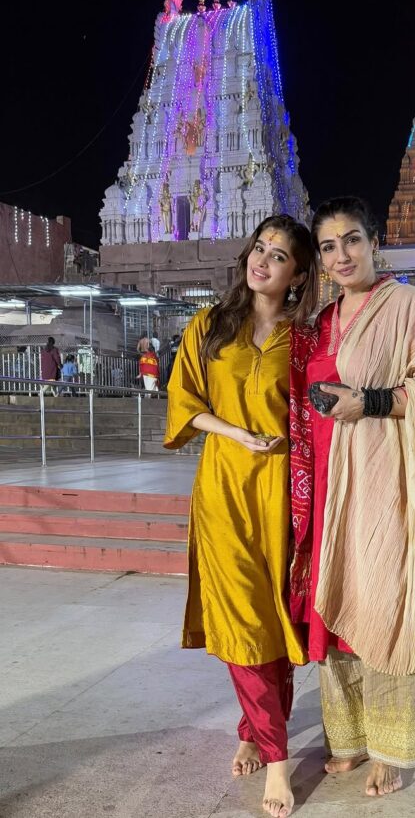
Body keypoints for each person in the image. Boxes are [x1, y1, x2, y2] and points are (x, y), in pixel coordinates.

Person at [289, 197, 415, 797]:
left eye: (353, 240)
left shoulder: (408, 305)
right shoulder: (322, 319)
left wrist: (364, 402)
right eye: (330, 246)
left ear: (374, 244)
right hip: (326, 488)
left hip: (384, 484)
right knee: (335, 602)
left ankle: (393, 745)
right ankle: (350, 738)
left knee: (386, 599)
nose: (342, 255)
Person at [163, 214, 318, 818]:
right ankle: (278, 763)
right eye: (259, 248)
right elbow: (185, 402)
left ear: (298, 275)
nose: (263, 261)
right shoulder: (211, 325)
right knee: (243, 617)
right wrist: (235, 432)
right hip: (225, 487)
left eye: (279, 256)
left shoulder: (304, 339)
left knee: (275, 617)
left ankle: (253, 728)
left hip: (283, 493)